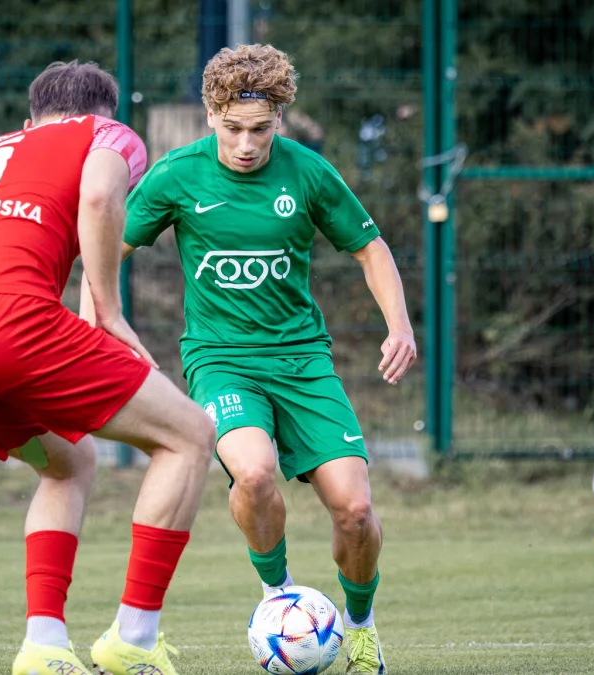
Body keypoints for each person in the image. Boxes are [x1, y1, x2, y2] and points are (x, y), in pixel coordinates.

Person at [94, 44, 416, 675]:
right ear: (210, 115)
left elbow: (370, 248)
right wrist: (97, 322)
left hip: (303, 361)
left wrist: (398, 324)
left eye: (261, 130)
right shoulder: (177, 175)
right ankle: (280, 597)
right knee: (254, 472)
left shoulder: (308, 172)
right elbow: (108, 248)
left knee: (355, 511)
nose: (246, 144)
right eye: (233, 128)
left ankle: (360, 627)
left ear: (280, 120)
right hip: (221, 360)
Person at [0, 60, 215, 675]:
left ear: (28, 122)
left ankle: (43, 647)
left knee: (69, 463)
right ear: (105, 114)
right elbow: (98, 196)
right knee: (190, 437)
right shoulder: (106, 135)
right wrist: (108, 310)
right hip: (8, 325)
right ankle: (134, 639)